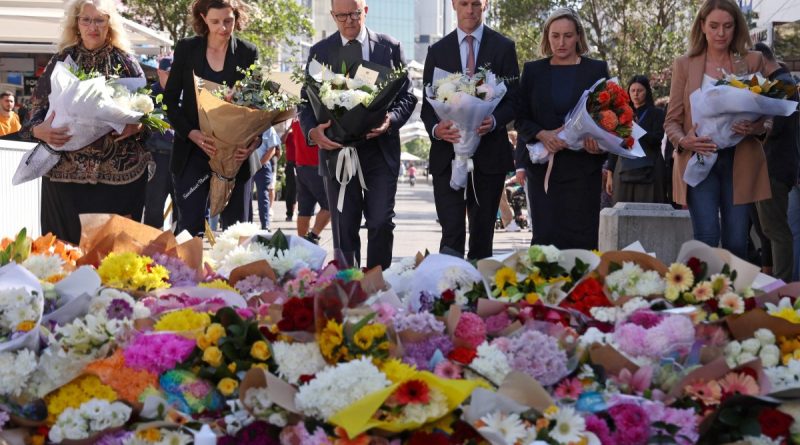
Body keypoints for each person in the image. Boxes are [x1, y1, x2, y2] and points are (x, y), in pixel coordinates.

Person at [17, 0, 148, 244]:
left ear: (110, 24)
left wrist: (138, 126)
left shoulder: (127, 63)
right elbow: (31, 114)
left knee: (113, 256)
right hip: (64, 178)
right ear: (76, 23)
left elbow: (151, 114)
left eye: (99, 20)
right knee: (64, 255)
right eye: (86, 20)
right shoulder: (61, 61)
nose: (92, 27)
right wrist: (39, 130)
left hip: (117, 179)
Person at [299, 0, 417, 269]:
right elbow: (305, 102)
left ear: (365, 11)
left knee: (380, 221)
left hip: (380, 151)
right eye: (342, 16)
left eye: (354, 14)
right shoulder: (320, 51)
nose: (349, 21)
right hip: (337, 152)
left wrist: (390, 120)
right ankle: (349, 288)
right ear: (333, 16)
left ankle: (378, 283)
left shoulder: (389, 47)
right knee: (344, 226)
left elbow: (407, 96)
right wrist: (312, 132)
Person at [664, 0, 770, 259]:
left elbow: (769, 115)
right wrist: (684, 141)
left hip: (740, 159)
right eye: (714, 26)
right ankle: (703, 297)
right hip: (700, 157)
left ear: (737, 28)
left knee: (736, 239)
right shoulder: (685, 64)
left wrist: (754, 127)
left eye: (727, 26)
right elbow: (671, 121)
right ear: (702, 26)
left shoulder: (752, 61)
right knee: (707, 237)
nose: (720, 33)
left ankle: (732, 298)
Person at [422, 0, 519, 260]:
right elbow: (426, 107)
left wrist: (495, 120)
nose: (470, 10)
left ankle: (478, 294)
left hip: (489, 156)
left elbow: (514, 100)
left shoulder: (504, 47)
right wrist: (436, 129)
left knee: (482, 234)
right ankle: (449, 292)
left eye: (476, 3)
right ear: (454, 4)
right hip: (447, 156)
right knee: (451, 232)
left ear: (485, 4)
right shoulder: (437, 50)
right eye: (464, 3)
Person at [513, 7, 609, 249]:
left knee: (583, 242)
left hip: (583, 171)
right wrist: (542, 134)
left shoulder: (595, 70)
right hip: (544, 173)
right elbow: (520, 117)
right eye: (555, 36)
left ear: (578, 36)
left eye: (567, 35)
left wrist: (599, 145)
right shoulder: (533, 70)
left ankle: (583, 288)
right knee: (545, 242)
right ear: (547, 37)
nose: (561, 42)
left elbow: (609, 118)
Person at [164, 0, 261, 237]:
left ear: (237, 18)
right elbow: (169, 101)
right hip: (193, 151)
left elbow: (258, 106)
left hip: (236, 155)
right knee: (189, 230)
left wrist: (251, 144)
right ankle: (188, 274)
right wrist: (191, 133)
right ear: (203, 18)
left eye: (229, 21)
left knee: (236, 232)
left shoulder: (249, 52)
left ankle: (236, 275)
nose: (223, 28)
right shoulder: (187, 49)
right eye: (216, 22)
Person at [752, 42, 798, 282]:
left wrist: (752, 127)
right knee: (767, 229)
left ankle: (781, 283)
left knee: (776, 229)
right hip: (770, 166)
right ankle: (776, 280)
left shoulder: (785, 85)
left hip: (776, 167)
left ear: (761, 59)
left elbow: (774, 128)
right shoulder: (777, 84)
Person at [606, 75, 667, 204]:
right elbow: (614, 144)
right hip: (623, 167)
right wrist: (610, 174)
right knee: (621, 209)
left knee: (649, 208)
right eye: (632, 90)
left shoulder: (657, 113)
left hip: (650, 167)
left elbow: (657, 139)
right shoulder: (621, 113)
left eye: (640, 90)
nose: (636, 94)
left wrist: (637, 128)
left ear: (647, 92)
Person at [143, 56, 176, 229]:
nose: (172, 76)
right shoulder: (148, 95)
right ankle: (152, 248)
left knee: (182, 209)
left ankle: (181, 249)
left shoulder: (183, 94)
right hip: (156, 159)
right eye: (168, 73)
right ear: (159, 72)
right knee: (154, 208)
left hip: (179, 159)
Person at [290, 118, 330, 244]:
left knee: (305, 208)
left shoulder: (298, 118)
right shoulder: (316, 118)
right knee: (330, 205)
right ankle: (312, 237)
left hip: (301, 165)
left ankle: (302, 243)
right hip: (315, 165)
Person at [252, 126, 280, 230]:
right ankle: (247, 223)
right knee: (245, 196)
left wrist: (259, 164)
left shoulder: (268, 128)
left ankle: (265, 225)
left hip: (262, 166)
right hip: (247, 165)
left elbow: (272, 150)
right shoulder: (248, 124)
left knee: (263, 195)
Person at [283, 121, 297, 222]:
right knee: (290, 190)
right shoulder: (290, 134)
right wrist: (289, 129)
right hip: (291, 164)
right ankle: (290, 213)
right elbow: (282, 140)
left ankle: (298, 212)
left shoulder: (304, 133)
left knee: (301, 190)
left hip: (302, 164)